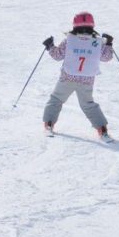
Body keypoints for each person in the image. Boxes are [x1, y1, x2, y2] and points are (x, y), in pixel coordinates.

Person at [41, 12, 114, 142]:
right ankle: (102, 130)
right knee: (88, 104)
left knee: (56, 99)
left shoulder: (69, 40)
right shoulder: (97, 42)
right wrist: (108, 44)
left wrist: (50, 46)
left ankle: (49, 124)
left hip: (68, 77)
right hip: (86, 79)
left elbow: (57, 56)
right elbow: (106, 57)